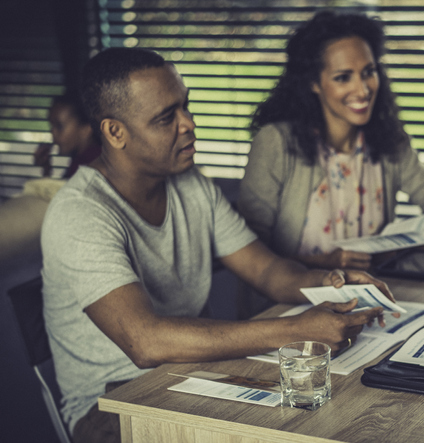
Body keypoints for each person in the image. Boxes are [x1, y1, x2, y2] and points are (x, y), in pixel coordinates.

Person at [41, 47, 396, 443]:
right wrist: (295, 330)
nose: (189, 123)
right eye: (166, 118)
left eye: (186, 107)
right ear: (115, 132)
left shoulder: (192, 186)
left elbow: (266, 269)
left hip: (194, 374)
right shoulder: (80, 213)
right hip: (113, 405)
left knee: (339, 416)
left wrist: (335, 283)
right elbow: (146, 342)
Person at [238, 10, 424, 272]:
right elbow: (248, 252)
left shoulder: (390, 140)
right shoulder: (275, 143)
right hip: (290, 307)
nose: (363, 89)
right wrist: (323, 264)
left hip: (372, 299)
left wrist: (396, 248)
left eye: (369, 72)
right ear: (313, 83)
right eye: (343, 77)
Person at [0, 92, 101, 268]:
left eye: (59, 126)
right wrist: (47, 167)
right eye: (51, 127)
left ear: (86, 129)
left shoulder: (91, 163)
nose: (53, 134)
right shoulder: (81, 157)